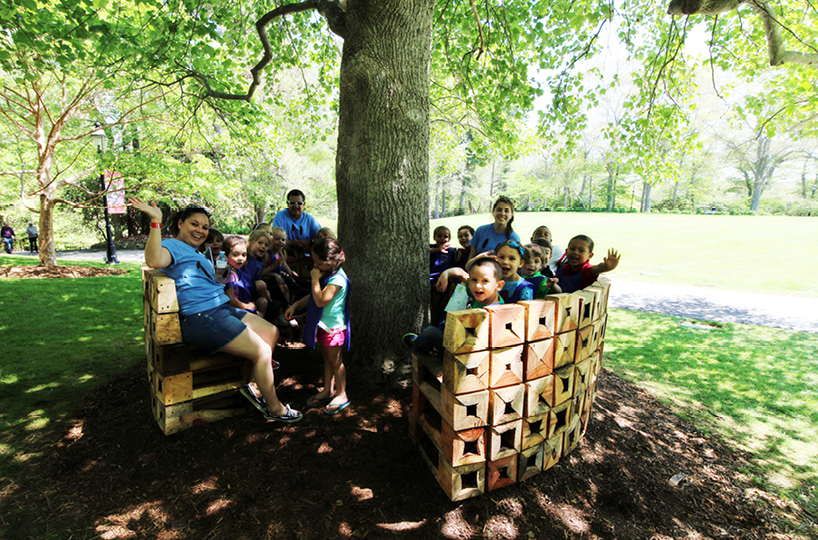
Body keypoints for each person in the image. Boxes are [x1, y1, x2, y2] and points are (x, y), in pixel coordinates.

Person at [129, 196, 301, 423]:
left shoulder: (197, 252)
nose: (200, 230)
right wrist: (156, 222)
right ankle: (274, 409)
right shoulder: (172, 246)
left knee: (271, 332)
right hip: (202, 317)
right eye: (194, 224)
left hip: (219, 309)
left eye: (205, 227)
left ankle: (252, 387)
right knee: (262, 352)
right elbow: (153, 260)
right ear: (180, 223)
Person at [285, 237, 351, 415]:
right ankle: (328, 390)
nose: (314, 266)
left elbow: (321, 300)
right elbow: (315, 296)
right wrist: (296, 304)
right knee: (327, 359)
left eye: (317, 262)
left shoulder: (338, 280)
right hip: (324, 326)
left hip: (334, 328)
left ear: (330, 261)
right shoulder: (327, 275)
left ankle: (342, 393)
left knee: (336, 362)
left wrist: (314, 279)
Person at [404, 256, 505, 354]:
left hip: (467, 350)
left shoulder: (495, 310)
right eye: (474, 280)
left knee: (430, 332)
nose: (478, 286)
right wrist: (446, 273)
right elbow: (460, 273)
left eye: (485, 281)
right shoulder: (484, 293)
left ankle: (417, 343)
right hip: (461, 342)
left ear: (498, 285)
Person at [223, 235, 270, 317]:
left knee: (262, 305)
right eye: (235, 255)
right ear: (226, 256)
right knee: (260, 316)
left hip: (242, 304)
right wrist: (246, 306)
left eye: (244, 255)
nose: (240, 258)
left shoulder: (237, 271)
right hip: (232, 309)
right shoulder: (229, 274)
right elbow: (231, 300)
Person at [555, 234, 621, 293]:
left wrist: (606, 267)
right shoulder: (563, 269)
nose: (575, 252)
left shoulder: (586, 269)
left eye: (581, 250)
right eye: (572, 249)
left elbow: (597, 268)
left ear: (590, 256)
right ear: (566, 251)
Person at [430, 225, 456, 325]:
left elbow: (453, 265)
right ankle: (433, 314)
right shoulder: (431, 248)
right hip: (431, 277)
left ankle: (441, 315)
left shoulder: (451, 251)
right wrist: (438, 249)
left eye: (445, 236)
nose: (442, 239)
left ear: (449, 238)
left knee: (444, 290)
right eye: (439, 236)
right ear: (434, 237)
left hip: (444, 278)